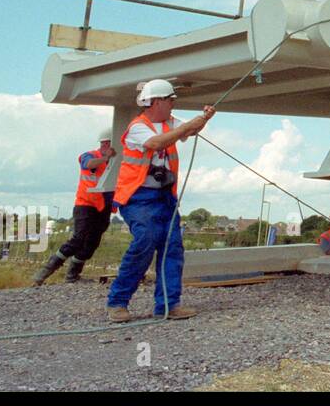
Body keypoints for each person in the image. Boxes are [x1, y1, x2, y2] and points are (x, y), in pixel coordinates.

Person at [105, 79, 214, 322]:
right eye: (170, 99)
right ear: (156, 102)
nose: (173, 103)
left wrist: (203, 120)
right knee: (146, 240)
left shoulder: (169, 123)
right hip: (138, 198)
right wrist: (189, 126)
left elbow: (188, 130)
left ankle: (168, 305)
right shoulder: (138, 127)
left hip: (165, 197)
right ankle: (117, 302)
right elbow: (157, 143)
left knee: (172, 247)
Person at [33, 129, 117, 286]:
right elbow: (88, 164)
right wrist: (106, 157)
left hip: (103, 207)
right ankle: (44, 273)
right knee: (78, 239)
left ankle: (72, 276)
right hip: (85, 204)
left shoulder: (116, 161)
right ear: (106, 143)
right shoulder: (90, 155)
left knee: (92, 243)